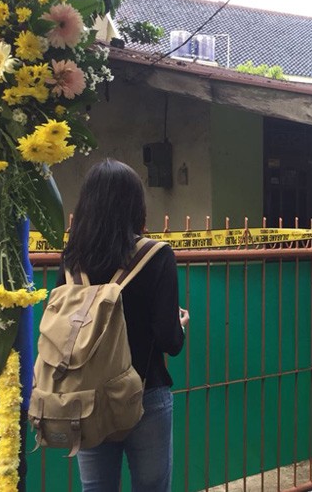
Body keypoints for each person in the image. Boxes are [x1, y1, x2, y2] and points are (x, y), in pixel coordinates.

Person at [59, 158, 189, 491]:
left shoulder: (73, 260)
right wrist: (181, 323)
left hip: (87, 398)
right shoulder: (157, 255)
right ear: (136, 205)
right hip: (145, 395)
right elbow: (169, 340)